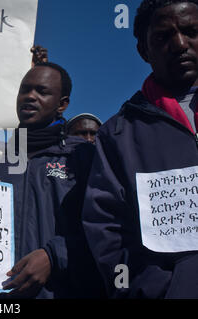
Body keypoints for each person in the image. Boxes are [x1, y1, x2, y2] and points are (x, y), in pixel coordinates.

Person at [82, 0, 198, 298]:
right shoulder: (117, 134)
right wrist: (150, 289)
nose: (180, 44)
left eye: (191, 31)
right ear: (144, 51)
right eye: (163, 36)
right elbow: (105, 225)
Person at [0, 60, 105, 298]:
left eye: (42, 91)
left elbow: (108, 229)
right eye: (25, 90)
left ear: (62, 104)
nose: (30, 96)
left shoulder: (85, 157)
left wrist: (54, 256)